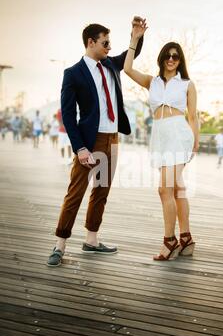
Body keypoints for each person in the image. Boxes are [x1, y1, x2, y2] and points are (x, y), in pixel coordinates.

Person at [48, 17, 144, 267]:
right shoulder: (73, 73)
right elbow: (68, 114)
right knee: (75, 193)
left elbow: (131, 55)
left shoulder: (111, 65)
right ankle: (60, 244)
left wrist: (135, 36)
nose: (110, 47)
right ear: (91, 43)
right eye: (105, 42)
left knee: (101, 191)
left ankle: (92, 239)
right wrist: (80, 148)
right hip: (90, 143)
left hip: (112, 139)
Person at [124, 22, 199, 261]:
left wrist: (195, 143)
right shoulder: (152, 82)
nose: (171, 59)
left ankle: (170, 240)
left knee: (164, 188)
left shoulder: (187, 84)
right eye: (168, 55)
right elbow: (126, 69)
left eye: (176, 56)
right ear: (162, 58)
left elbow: (193, 115)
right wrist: (135, 39)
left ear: (180, 60)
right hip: (159, 136)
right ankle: (186, 238)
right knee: (177, 189)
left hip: (179, 135)